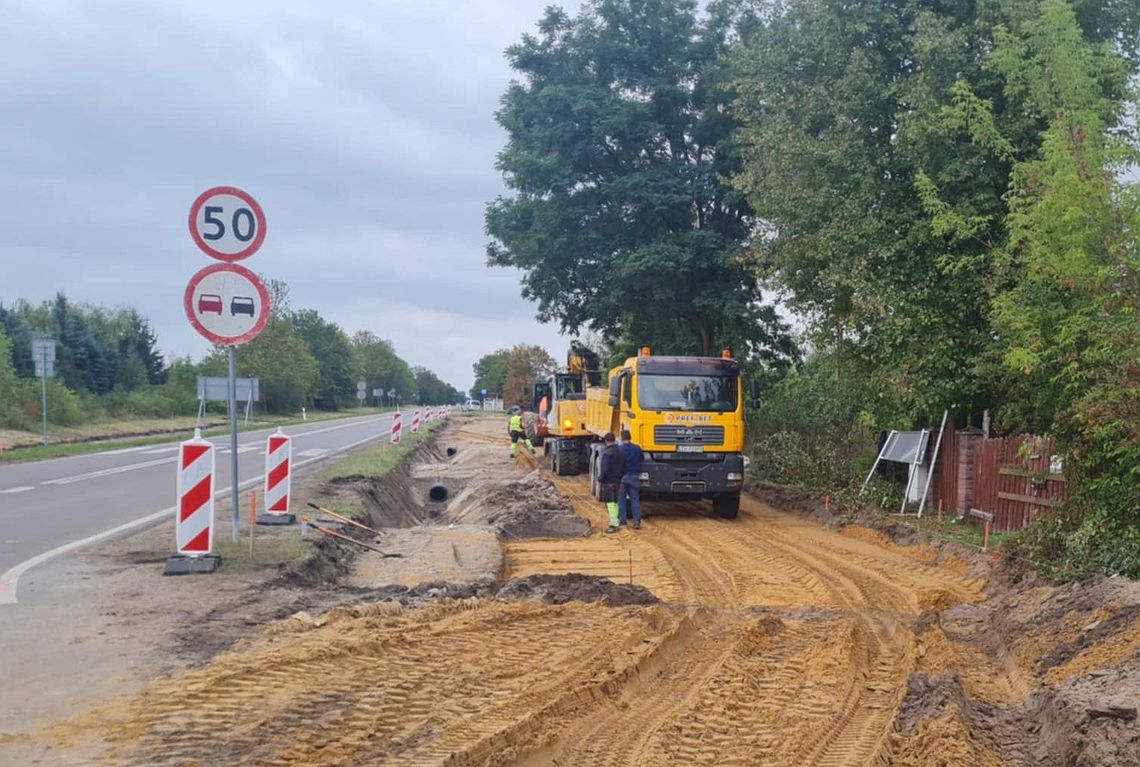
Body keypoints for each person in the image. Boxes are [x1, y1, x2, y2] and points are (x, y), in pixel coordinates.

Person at [598, 432, 626, 533]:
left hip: (608, 482)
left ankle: (614, 524)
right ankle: (616, 521)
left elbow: (605, 470)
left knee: (610, 502)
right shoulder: (621, 453)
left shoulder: (607, 453)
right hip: (618, 481)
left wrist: (601, 478)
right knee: (616, 502)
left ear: (606, 441)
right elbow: (625, 467)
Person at [618, 429, 644, 529]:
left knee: (621, 499)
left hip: (622, 477)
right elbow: (641, 459)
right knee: (635, 499)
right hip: (634, 476)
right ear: (630, 437)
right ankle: (636, 521)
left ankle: (622, 520)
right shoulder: (637, 448)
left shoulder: (619, 449)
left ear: (621, 438)